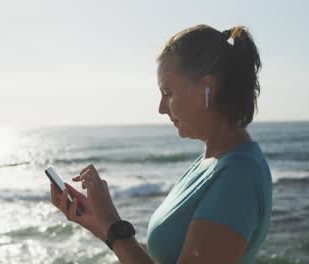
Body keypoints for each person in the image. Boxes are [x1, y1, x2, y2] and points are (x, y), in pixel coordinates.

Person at [50, 24, 272, 264]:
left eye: (168, 93)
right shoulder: (209, 162)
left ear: (208, 88)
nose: (161, 108)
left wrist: (113, 224)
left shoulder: (239, 175)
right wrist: (103, 225)